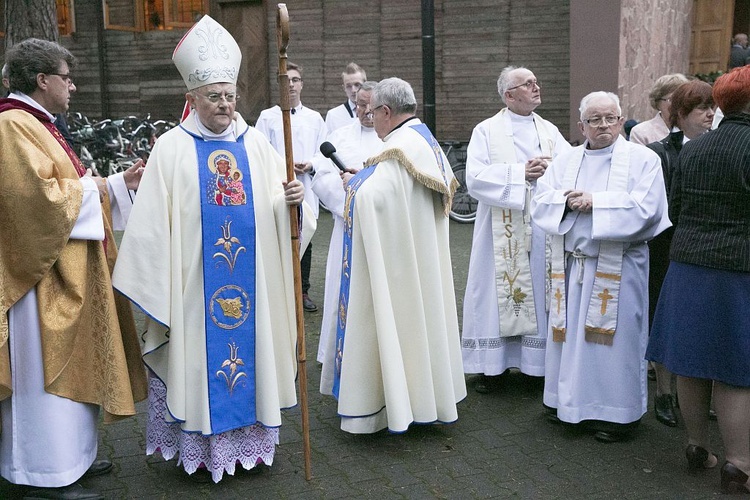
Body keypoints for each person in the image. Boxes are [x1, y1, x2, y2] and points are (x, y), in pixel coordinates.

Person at [112, 15, 315, 483]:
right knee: (199, 361)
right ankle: (202, 451)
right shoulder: (171, 148)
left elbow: (279, 221)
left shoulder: (260, 147)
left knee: (251, 355)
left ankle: (250, 448)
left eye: (229, 95)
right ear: (192, 99)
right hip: (194, 290)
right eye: (213, 97)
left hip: (252, 288)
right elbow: (150, 227)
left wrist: (292, 205)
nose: (223, 105)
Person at [0, 38, 147, 500]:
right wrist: (103, 189)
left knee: (68, 370)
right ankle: (41, 475)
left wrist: (115, 185)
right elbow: (34, 201)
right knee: (41, 378)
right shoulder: (11, 125)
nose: (73, 86)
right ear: (42, 80)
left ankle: (72, 460)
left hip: (61, 269)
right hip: (36, 282)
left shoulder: (37, 123)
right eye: (67, 77)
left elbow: (64, 186)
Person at [322, 77, 466, 434]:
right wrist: (366, 179)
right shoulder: (424, 141)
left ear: (387, 111)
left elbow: (373, 199)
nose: (372, 121)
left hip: (399, 266)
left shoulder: (398, 149)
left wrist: (353, 185)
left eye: (373, 114)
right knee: (422, 326)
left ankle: (387, 408)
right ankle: (424, 400)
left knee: (392, 324)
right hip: (420, 259)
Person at [531, 91, 670, 443]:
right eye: (595, 119)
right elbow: (541, 199)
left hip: (619, 269)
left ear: (622, 121)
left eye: (611, 118)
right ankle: (567, 404)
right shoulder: (566, 159)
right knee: (570, 341)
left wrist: (597, 202)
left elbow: (648, 210)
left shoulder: (643, 159)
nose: (604, 125)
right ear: (582, 125)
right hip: (572, 266)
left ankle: (617, 415)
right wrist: (566, 202)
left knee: (614, 344)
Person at [646, 66, 750, 494]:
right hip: (736, 269)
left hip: (687, 264)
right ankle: (739, 464)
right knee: (734, 369)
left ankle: (695, 446)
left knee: (689, 362)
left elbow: (679, 210)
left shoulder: (693, 150)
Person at [460, 66, 571, 394]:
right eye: (528, 84)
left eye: (536, 81)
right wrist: (520, 173)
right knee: (495, 293)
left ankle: (533, 366)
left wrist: (547, 171)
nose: (536, 87)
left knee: (536, 291)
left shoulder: (549, 130)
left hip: (538, 225)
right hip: (500, 228)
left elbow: (568, 170)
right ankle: (490, 367)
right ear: (509, 95)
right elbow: (475, 178)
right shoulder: (486, 130)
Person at [645, 80, 715, 428]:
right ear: (682, 114)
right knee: (664, 316)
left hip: (707, 249)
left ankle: (702, 394)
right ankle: (664, 393)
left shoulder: (720, 147)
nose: (710, 114)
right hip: (667, 247)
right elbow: (660, 204)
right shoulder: (661, 151)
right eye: (702, 108)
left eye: (713, 107)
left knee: (701, 322)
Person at [311, 80, 384, 393]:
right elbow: (322, 178)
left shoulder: (392, 138)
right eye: (361, 105)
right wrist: (348, 198)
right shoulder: (340, 137)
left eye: (372, 105)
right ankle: (339, 356)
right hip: (348, 229)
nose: (366, 112)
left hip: (383, 230)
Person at [256, 62, 326, 313]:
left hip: (305, 185)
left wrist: (310, 164)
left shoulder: (314, 118)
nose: (292, 85)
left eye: (295, 80)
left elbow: (323, 150)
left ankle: (303, 290)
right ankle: (278, 287)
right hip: (278, 187)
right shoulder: (267, 117)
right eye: (287, 81)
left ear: (302, 84)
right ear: (280, 85)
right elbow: (260, 151)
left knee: (305, 237)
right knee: (277, 236)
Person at [629, 73, 689, 146]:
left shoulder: (693, 130)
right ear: (657, 102)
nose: (677, 104)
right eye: (671, 99)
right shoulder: (641, 132)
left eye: (681, 99)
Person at [325, 62, 367, 133]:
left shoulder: (375, 113)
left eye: (357, 85)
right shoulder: (333, 115)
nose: (353, 90)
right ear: (344, 88)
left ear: (365, 84)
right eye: (348, 86)